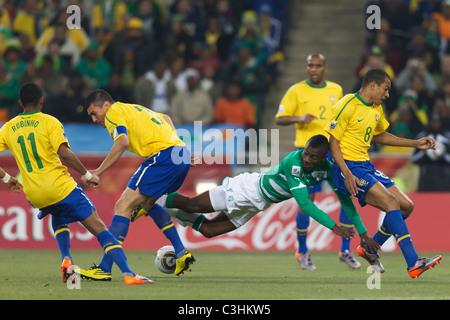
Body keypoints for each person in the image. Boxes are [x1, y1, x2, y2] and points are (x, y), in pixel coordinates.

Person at [0, 83, 153, 285]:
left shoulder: (8, 127)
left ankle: (66, 258)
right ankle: (128, 274)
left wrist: (6, 178)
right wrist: (88, 174)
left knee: (57, 214)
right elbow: (64, 153)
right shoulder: (49, 122)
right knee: (99, 228)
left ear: (20, 103)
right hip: (60, 187)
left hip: (34, 194)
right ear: (41, 101)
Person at [133, 135, 381, 256]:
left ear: (323, 158)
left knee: (207, 231)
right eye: (306, 153)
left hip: (257, 204)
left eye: (313, 157)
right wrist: (333, 227)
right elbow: (304, 203)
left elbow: (346, 200)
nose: (307, 158)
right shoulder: (293, 162)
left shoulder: (326, 170)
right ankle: (152, 199)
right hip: (246, 190)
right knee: (191, 202)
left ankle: (169, 210)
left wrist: (362, 232)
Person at [325, 69, 442, 278]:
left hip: (365, 165)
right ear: (372, 85)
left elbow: (380, 136)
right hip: (348, 167)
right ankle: (413, 262)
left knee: (407, 206)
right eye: (385, 89)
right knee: (391, 203)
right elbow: (333, 142)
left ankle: (370, 248)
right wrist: (347, 173)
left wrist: (415, 143)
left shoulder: (376, 108)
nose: (387, 94)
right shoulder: (346, 104)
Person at [77, 89, 194, 280]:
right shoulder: (134, 109)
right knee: (147, 203)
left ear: (105, 105)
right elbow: (165, 117)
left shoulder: (113, 112)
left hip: (162, 156)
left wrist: (98, 171)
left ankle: (104, 268)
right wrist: (177, 145)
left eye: (94, 113)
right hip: (179, 155)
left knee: (122, 206)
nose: (94, 119)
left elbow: (122, 142)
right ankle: (181, 252)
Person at [275, 53, 359, 270]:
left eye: (318, 66)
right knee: (307, 202)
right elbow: (279, 118)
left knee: (346, 196)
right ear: (306, 67)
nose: (314, 69)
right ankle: (302, 251)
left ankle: (345, 249)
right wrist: (299, 118)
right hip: (306, 155)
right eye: (311, 65)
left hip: (331, 152)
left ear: (325, 68)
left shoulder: (336, 90)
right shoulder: (296, 90)